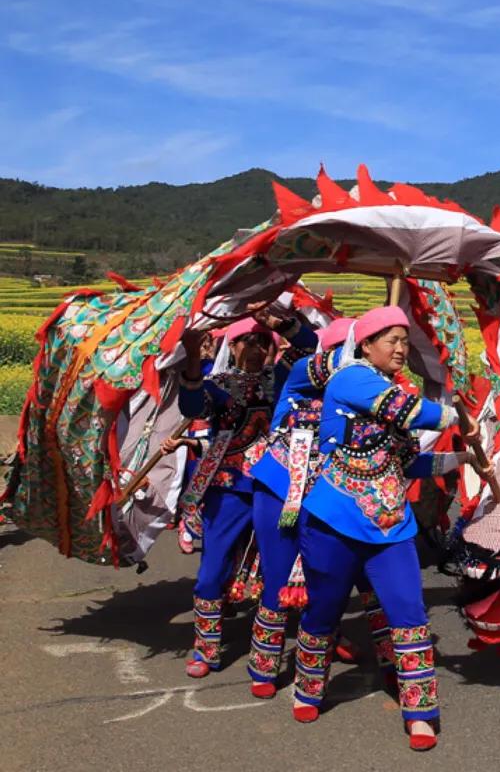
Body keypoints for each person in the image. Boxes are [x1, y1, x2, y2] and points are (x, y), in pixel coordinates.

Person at [291, 306, 482, 752]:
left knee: (410, 614)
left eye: (404, 341)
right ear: (366, 345)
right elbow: (411, 410)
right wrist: (458, 416)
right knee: (323, 611)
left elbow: (408, 462)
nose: (400, 349)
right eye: (391, 340)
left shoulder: (391, 390)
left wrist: (463, 460)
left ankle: (420, 712)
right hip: (335, 519)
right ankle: (308, 687)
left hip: (391, 524)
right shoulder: (351, 380)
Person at [243, 317, 391, 699]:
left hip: (342, 497)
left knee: (367, 583)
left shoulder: (377, 392)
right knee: (278, 581)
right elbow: (323, 355)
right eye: (354, 349)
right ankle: (265, 666)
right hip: (282, 490)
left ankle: (394, 664)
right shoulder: (298, 375)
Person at [177, 309, 317, 679]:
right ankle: (205, 649)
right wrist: (193, 359)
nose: (254, 348)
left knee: (281, 568)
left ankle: (275, 654)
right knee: (212, 569)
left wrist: (282, 325)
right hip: (228, 484)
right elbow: (192, 405)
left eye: (262, 342)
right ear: (232, 345)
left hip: (275, 483)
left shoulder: (283, 378)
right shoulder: (218, 383)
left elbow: (311, 346)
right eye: (246, 341)